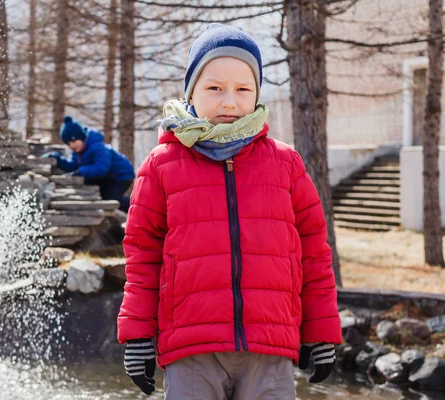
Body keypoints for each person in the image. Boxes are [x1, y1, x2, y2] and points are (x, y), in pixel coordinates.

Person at [117, 23, 342, 399]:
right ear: (192, 91)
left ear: (256, 93)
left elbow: (314, 254)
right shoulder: (161, 165)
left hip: (269, 348)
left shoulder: (286, 163)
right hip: (192, 347)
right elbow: (142, 255)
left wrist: (319, 331)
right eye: (214, 88)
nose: (229, 102)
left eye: (243, 89)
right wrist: (139, 333)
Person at [44, 116, 135, 212]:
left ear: (81, 137)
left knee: (111, 197)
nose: (72, 145)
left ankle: (136, 209)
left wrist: (81, 171)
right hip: (108, 177)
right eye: (69, 144)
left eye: (74, 141)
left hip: (121, 175)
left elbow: (101, 168)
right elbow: (72, 165)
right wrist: (59, 160)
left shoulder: (97, 147)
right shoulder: (78, 152)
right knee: (101, 196)